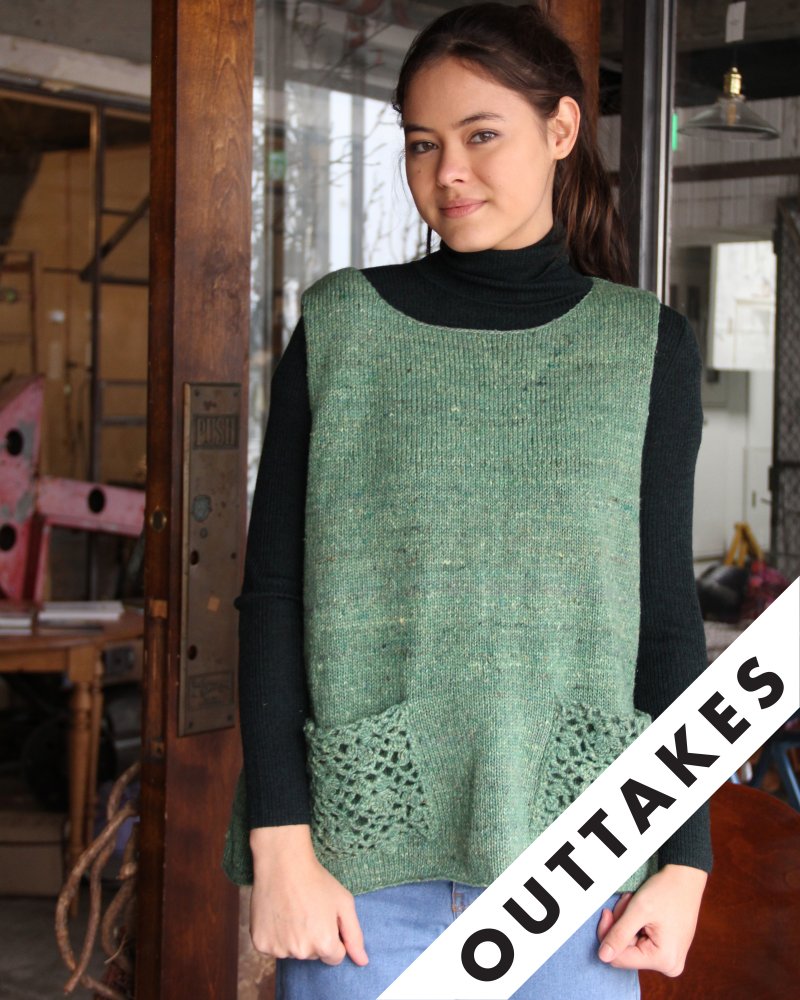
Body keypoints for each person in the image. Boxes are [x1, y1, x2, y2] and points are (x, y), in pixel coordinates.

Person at [222, 3, 712, 997]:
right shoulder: (342, 329)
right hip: (355, 884)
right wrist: (278, 843)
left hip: (581, 877)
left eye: (480, 135)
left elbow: (665, 620)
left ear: (561, 129)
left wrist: (685, 860)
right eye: (422, 143)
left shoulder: (644, 347)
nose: (447, 171)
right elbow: (273, 596)